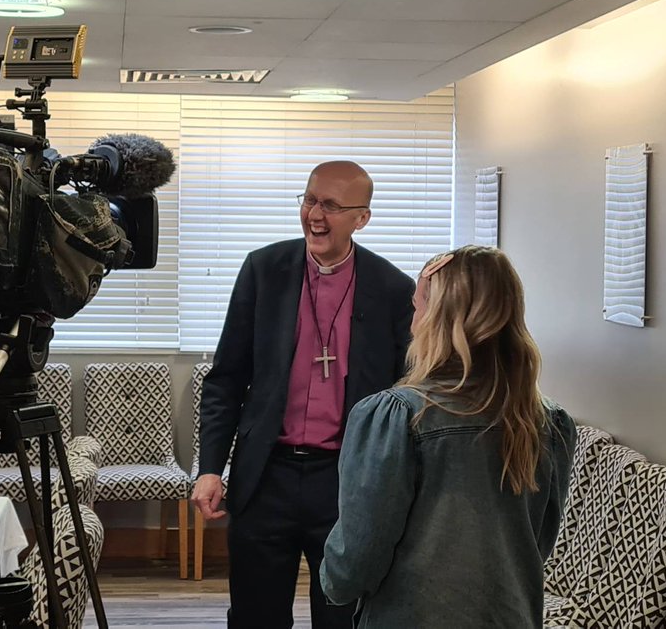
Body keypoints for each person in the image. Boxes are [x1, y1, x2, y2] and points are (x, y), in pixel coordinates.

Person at [192, 160, 416, 629]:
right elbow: (226, 378)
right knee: (255, 618)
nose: (315, 214)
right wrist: (211, 467)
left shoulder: (394, 289)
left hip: (346, 483)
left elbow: (407, 397)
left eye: (332, 205)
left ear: (362, 217)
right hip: (264, 476)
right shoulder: (263, 269)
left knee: (342, 620)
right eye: (310, 199)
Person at [318, 245, 578, 628]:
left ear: (438, 319)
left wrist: (333, 580)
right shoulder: (550, 422)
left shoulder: (397, 417)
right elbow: (535, 544)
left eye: (418, 307)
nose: (412, 322)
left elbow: (357, 560)